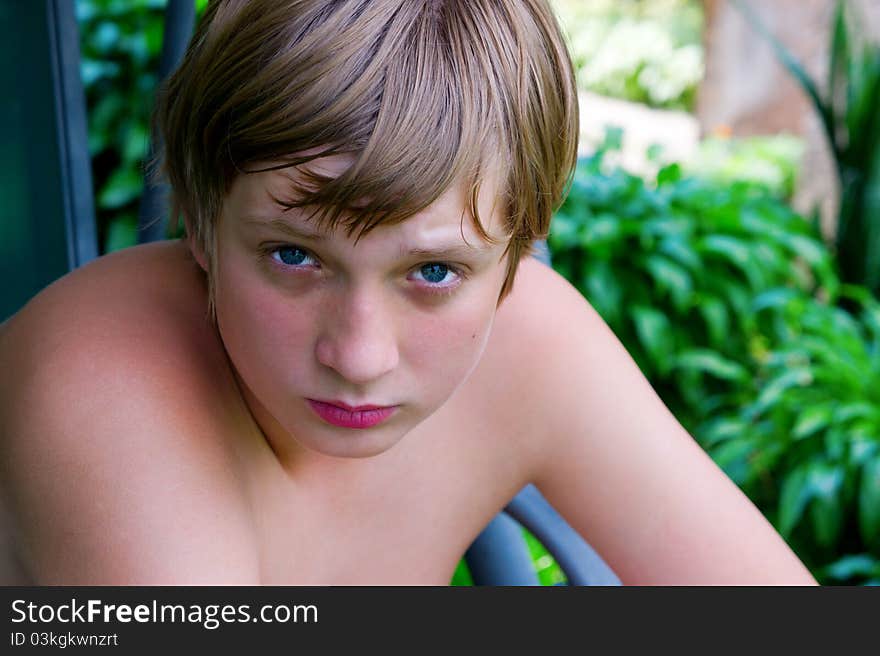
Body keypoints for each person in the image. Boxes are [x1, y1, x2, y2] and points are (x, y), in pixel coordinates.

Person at [0, 0, 816, 585]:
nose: (357, 355)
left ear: (516, 254)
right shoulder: (101, 383)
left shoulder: (534, 339)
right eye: (293, 256)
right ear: (201, 220)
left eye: (433, 274)